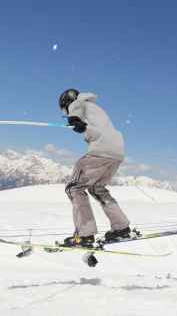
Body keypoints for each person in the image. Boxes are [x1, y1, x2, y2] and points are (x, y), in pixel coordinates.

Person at [59, 88, 131, 247]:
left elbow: (75, 112)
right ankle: (122, 228)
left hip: (100, 151)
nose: (66, 113)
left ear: (67, 102)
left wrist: (74, 119)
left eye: (64, 110)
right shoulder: (96, 109)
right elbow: (93, 129)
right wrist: (81, 126)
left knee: (74, 188)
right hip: (116, 152)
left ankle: (84, 235)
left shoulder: (78, 103)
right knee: (97, 188)